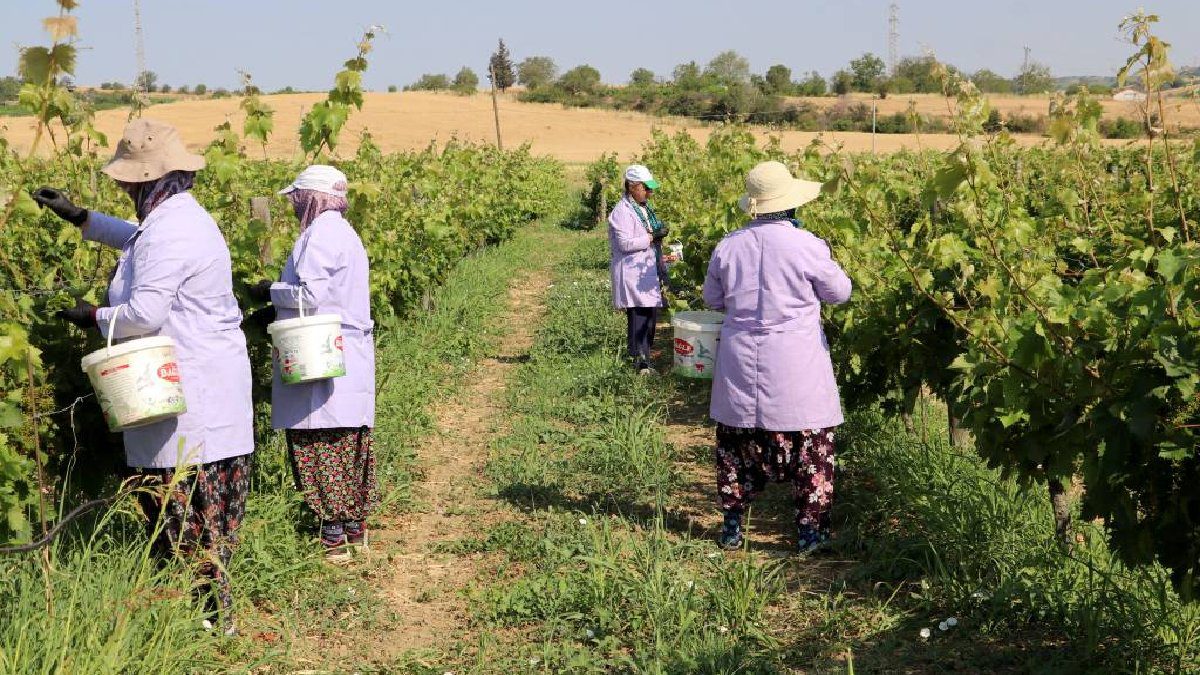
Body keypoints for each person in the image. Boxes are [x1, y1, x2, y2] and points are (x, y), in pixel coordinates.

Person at [33, 118, 254, 633]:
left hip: (188, 390)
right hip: (202, 386)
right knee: (196, 515)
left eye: (130, 182)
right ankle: (206, 622)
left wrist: (93, 317)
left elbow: (142, 314)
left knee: (184, 512)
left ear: (146, 180)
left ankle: (206, 627)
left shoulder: (170, 229)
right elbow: (136, 239)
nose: (127, 188)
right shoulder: (176, 216)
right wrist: (81, 217)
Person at [702, 160, 852, 555]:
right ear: (790, 205)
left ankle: (732, 530)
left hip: (740, 359)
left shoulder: (728, 245)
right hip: (794, 362)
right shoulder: (808, 245)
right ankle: (809, 536)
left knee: (736, 446)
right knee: (810, 447)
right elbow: (839, 293)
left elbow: (712, 299)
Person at [246, 165, 377, 561]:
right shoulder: (344, 233)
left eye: (297, 199)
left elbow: (310, 295)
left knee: (318, 438)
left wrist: (268, 293)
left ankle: (333, 536)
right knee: (348, 439)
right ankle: (355, 530)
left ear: (312, 198)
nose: (293, 207)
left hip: (318, 351)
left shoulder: (319, 235)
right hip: (346, 349)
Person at [608, 164, 670, 374]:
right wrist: (652, 237)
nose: (649, 192)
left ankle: (645, 358)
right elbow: (625, 243)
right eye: (646, 188)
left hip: (644, 270)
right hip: (632, 272)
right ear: (632, 187)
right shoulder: (621, 212)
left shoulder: (642, 207)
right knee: (639, 316)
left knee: (650, 315)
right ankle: (639, 362)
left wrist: (658, 235)